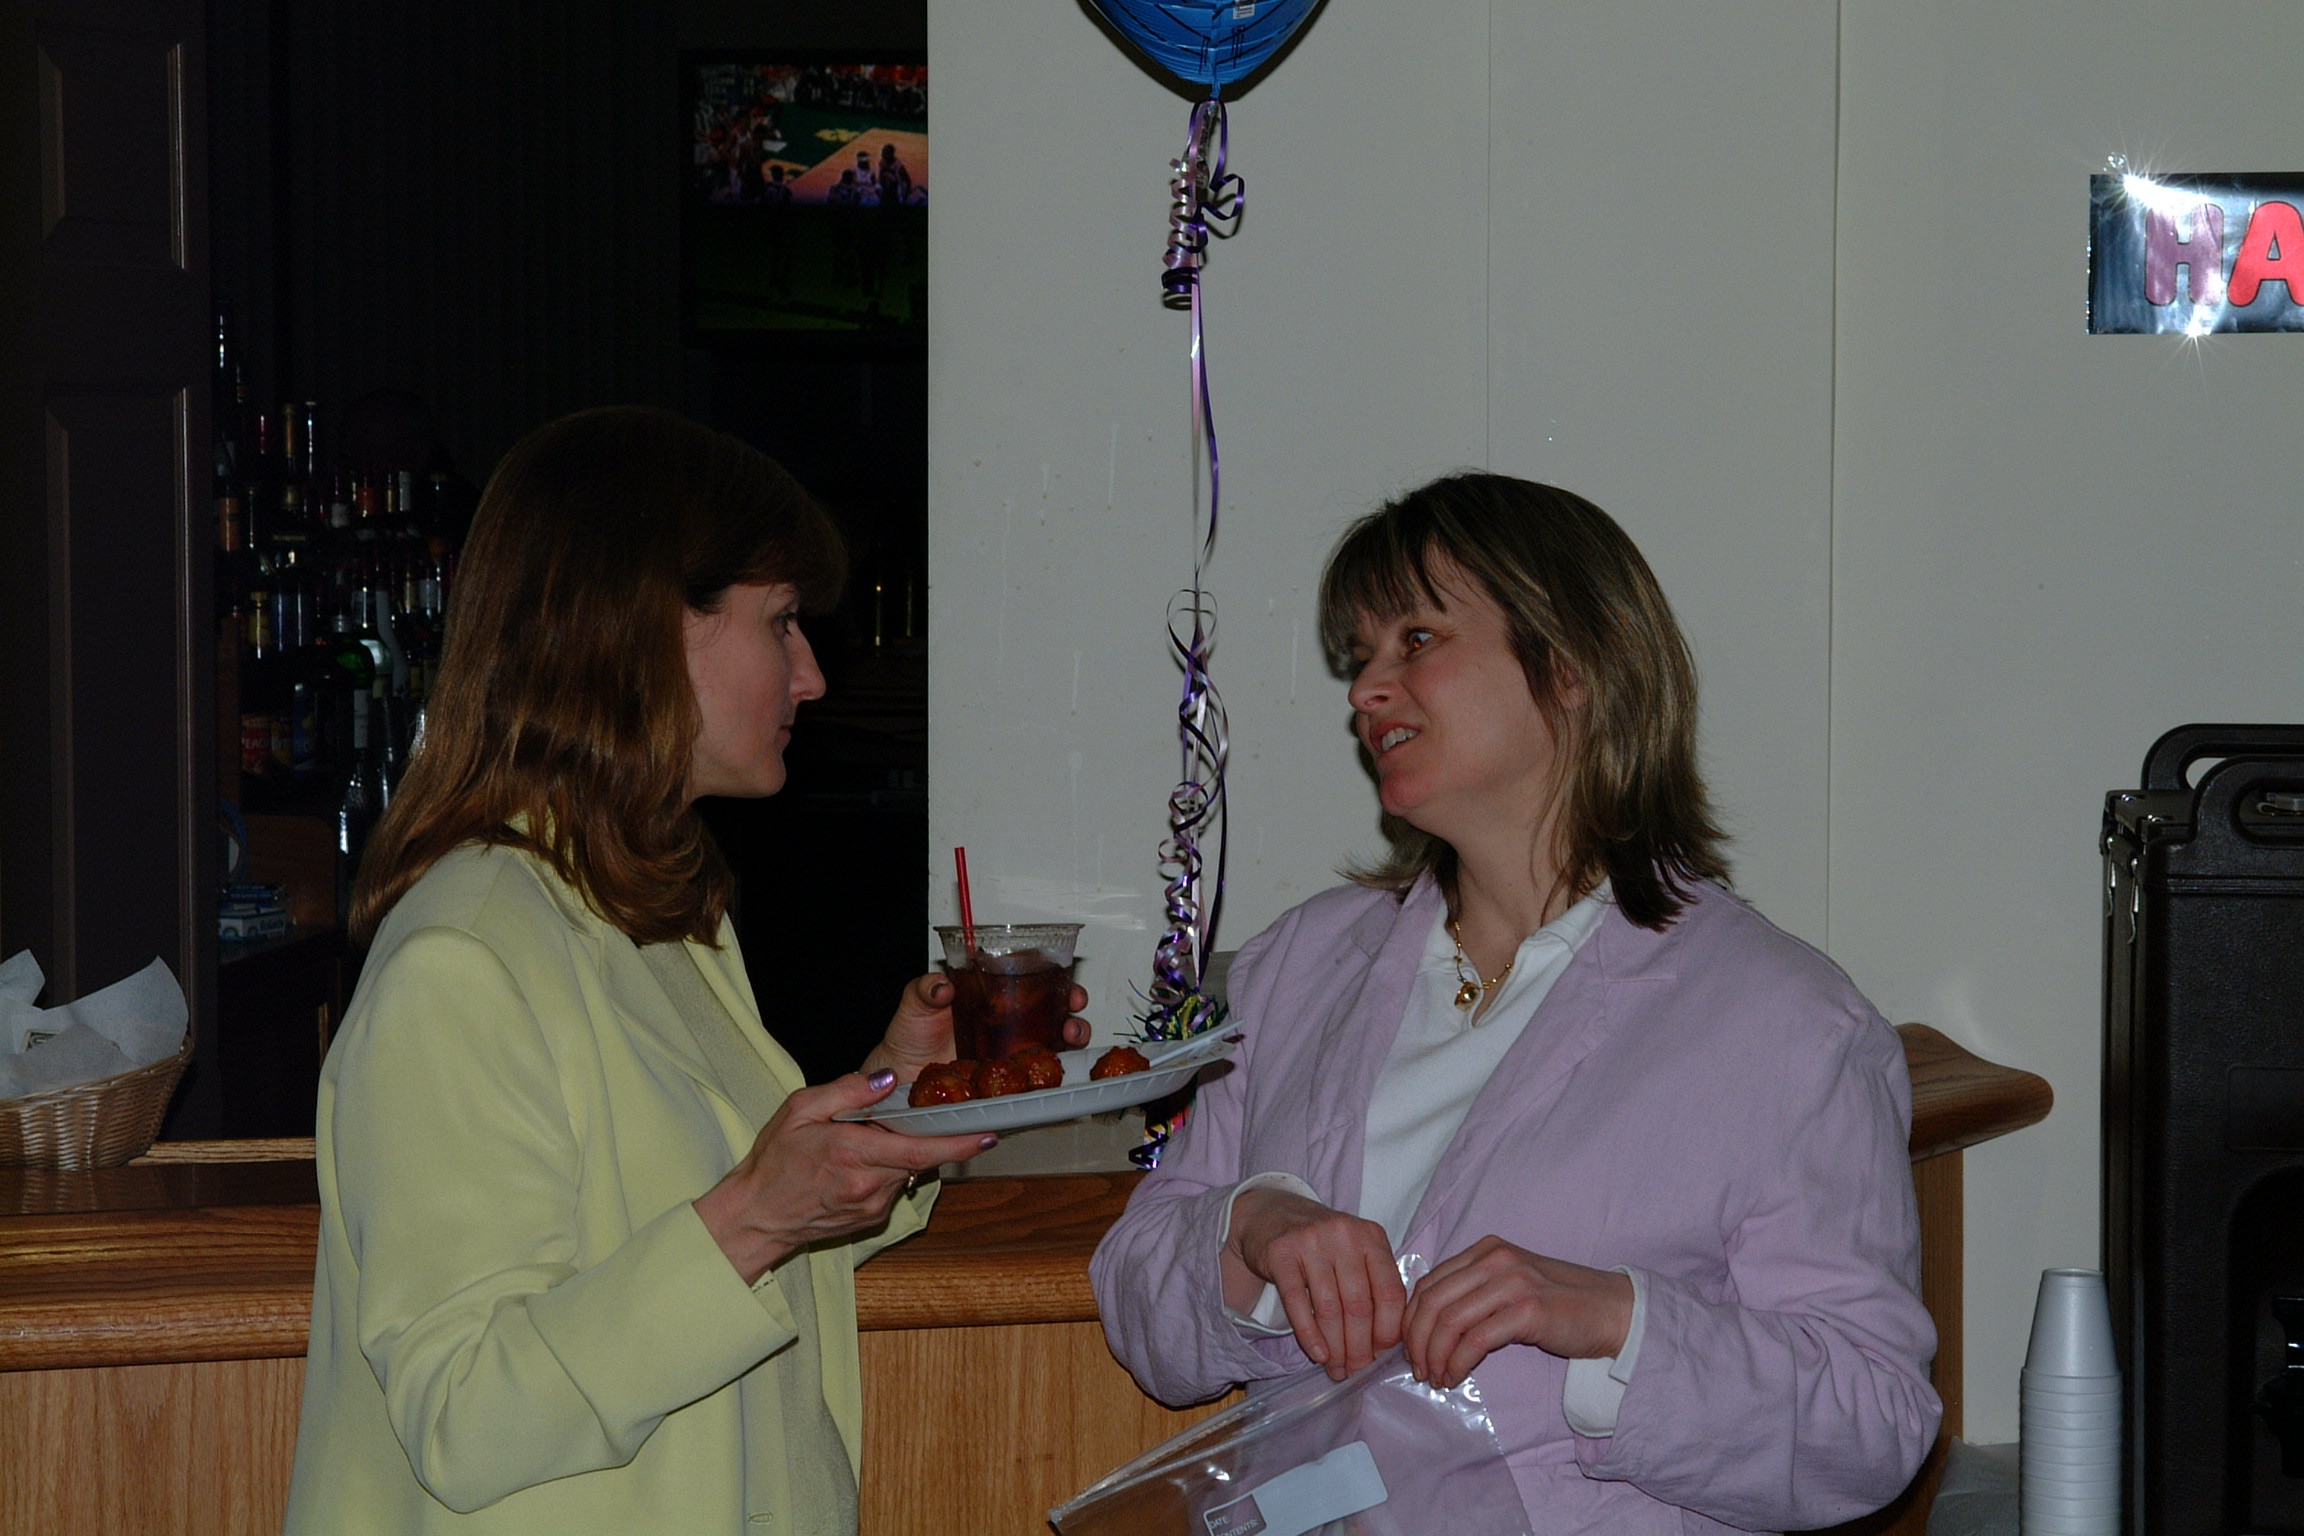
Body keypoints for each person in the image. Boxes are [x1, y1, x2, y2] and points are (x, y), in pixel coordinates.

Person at [283, 406, 1084, 1533]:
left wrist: (900, 1100)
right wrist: (756, 1216)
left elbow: (706, 1257)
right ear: (644, 630)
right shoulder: (463, 958)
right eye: (782, 622)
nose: (811, 676)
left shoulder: (652, 917)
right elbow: (462, 1413)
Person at [1091, 474, 1940, 1534]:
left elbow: (1872, 1425)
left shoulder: (1787, 1024)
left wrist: (1616, 1322)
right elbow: (1137, 1290)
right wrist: (1249, 1227)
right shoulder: (1298, 966)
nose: (1367, 691)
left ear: (1572, 663)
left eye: (1416, 640)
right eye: (1361, 658)